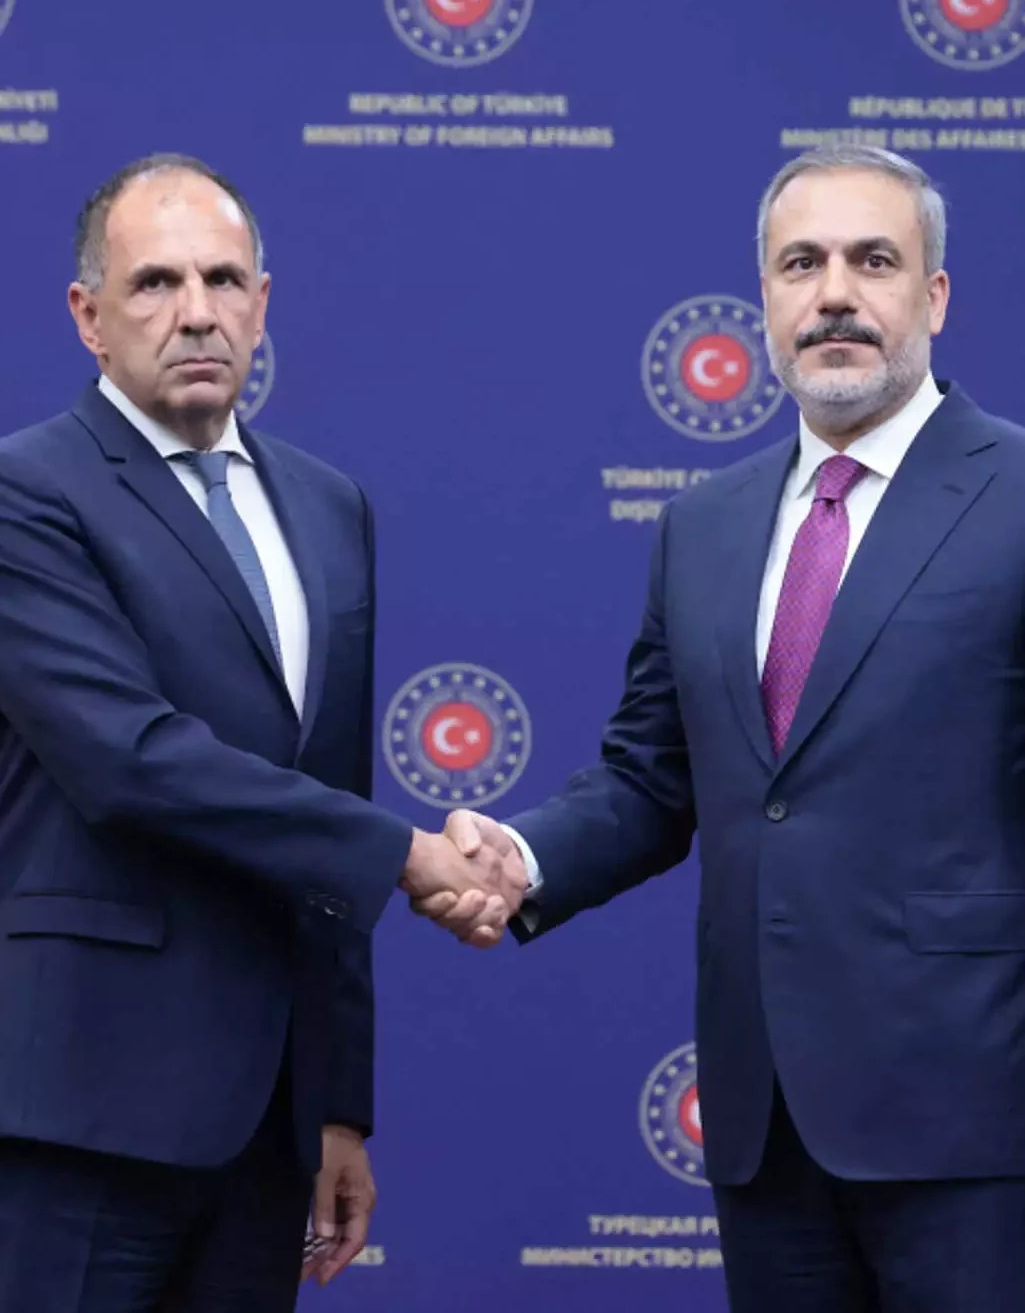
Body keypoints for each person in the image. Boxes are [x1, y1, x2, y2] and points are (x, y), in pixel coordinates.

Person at [418, 145, 1025, 1311]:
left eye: (872, 260)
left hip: (978, 1122)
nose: (832, 293)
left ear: (935, 295)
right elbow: (650, 778)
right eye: (800, 264)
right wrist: (521, 857)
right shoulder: (701, 524)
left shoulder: (1015, 496)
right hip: (765, 1126)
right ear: (763, 300)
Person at [0, 153, 521, 1313]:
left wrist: (336, 1104)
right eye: (155, 283)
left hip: (264, 1136)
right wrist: (408, 855)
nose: (196, 312)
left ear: (263, 302)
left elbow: (322, 797)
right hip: (81, 1113)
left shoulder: (328, 507)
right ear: (88, 316)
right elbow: (129, 760)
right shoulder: (25, 493)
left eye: (223, 280)